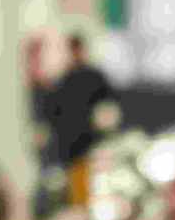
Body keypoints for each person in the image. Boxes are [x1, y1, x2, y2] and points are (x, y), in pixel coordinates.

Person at [47, 33, 120, 206]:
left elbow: (111, 103)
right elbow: (53, 112)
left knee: (98, 183)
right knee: (78, 190)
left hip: (92, 142)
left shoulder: (93, 77)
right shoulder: (63, 80)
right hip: (71, 144)